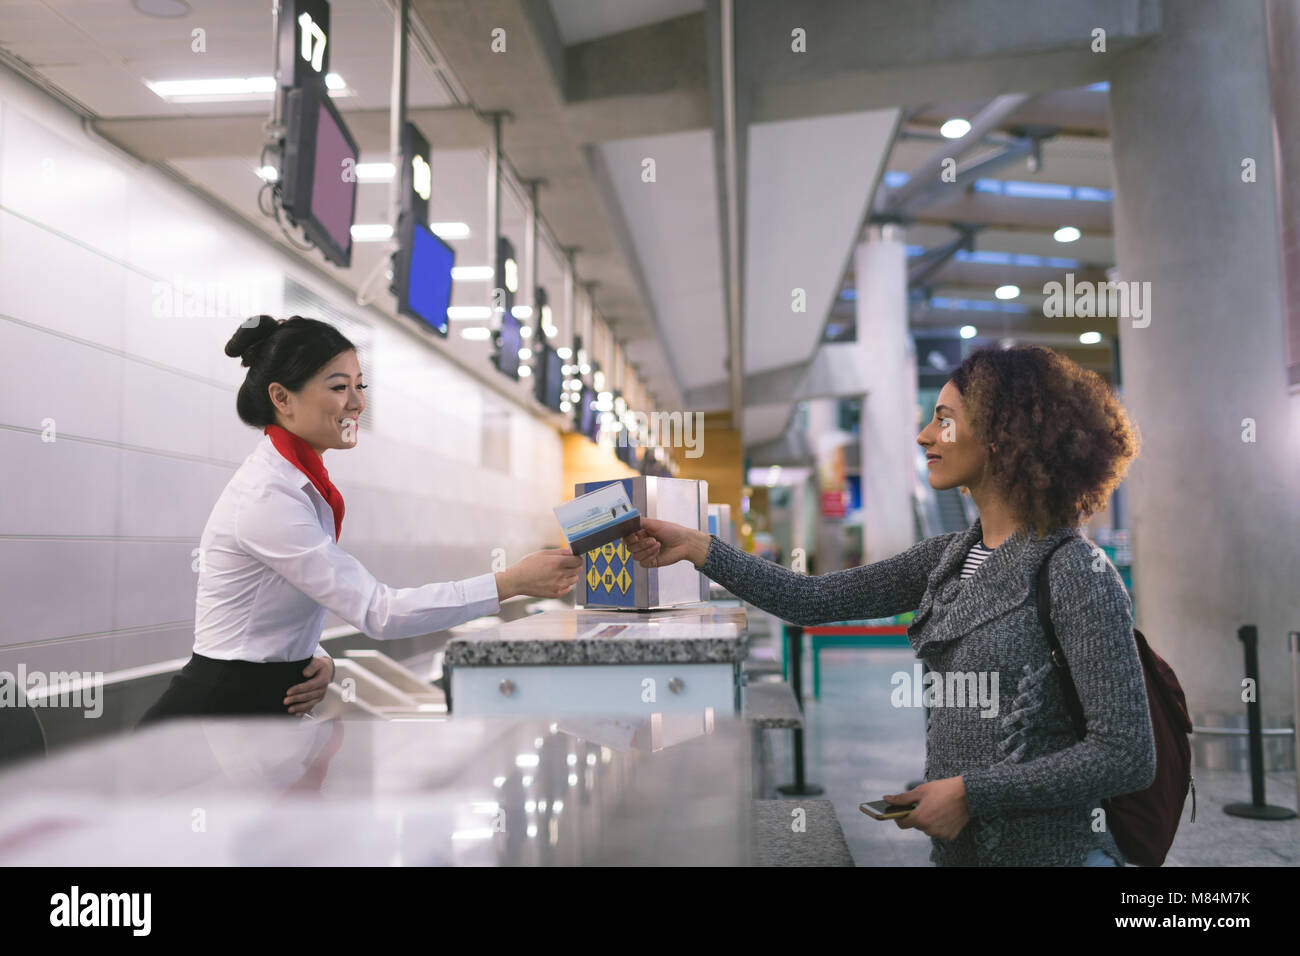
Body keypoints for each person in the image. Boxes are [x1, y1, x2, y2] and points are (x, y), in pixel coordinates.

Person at [624, 345, 1154, 866]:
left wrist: (972, 794)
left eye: (943, 420)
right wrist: (699, 549)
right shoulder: (949, 557)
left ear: (1002, 437)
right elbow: (811, 598)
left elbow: (1127, 753)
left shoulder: (1077, 573)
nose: (925, 435)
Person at [139, 315, 580, 725]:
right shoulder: (266, 497)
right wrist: (509, 583)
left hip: (260, 706)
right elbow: (379, 612)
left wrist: (312, 657)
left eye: (359, 385)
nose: (356, 404)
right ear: (281, 397)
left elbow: (265, 623)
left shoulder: (299, 484)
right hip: (214, 713)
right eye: (338, 387)